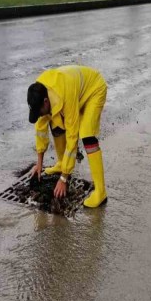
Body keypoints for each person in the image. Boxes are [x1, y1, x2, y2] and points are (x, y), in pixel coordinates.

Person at [27, 65, 108, 208]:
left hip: (94, 89)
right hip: (75, 92)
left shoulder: (66, 95)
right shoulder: (39, 93)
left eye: (40, 111)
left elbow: (72, 137)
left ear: (46, 101)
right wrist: (39, 163)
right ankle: (60, 163)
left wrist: (64, 178)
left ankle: (101, 192)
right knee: (55, 121)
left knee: (87, 134)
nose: (39, 115)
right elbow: (40, 130)